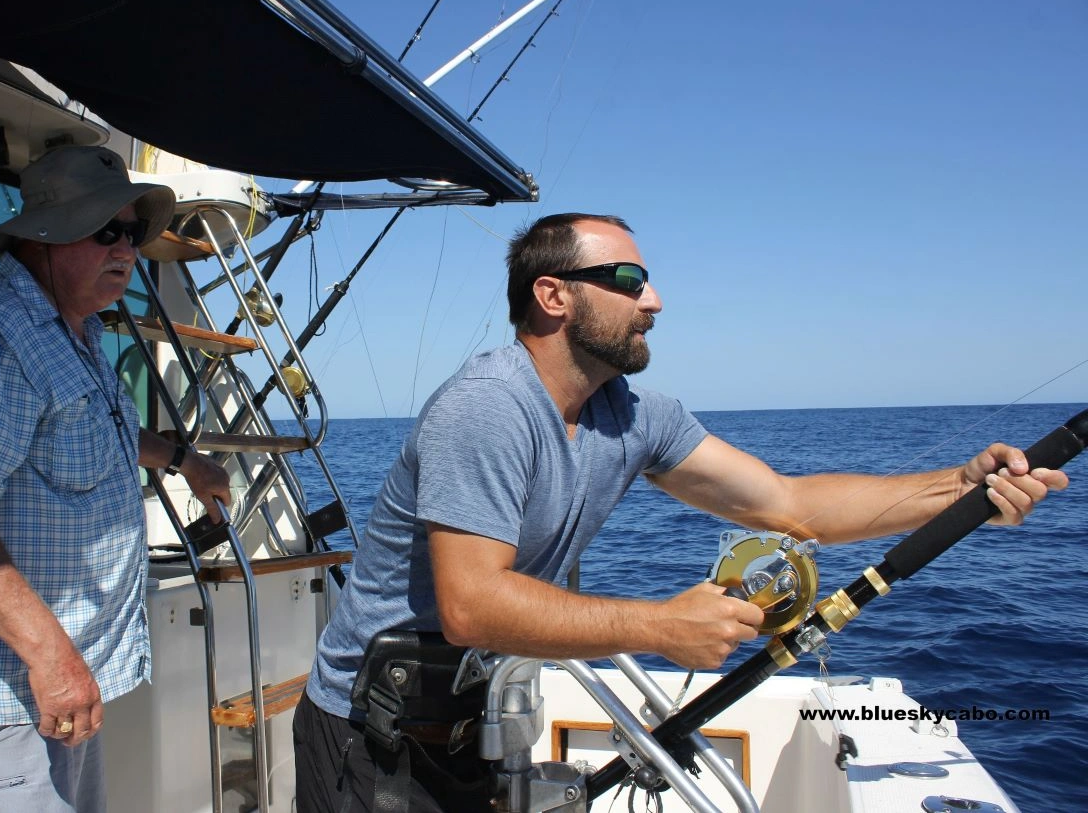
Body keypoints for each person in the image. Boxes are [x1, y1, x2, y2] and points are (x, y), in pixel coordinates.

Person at [293, 212, 1070, 812]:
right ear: (553, 294)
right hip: (373, 735)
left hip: (473, 718)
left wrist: (960, 489)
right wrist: (661, 625)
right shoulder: (489, 407)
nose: (653, 299)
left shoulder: (633, 415)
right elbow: (471, 604)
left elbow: (791, 504)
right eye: (627, 278)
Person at [0, 145, 232, 812]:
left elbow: (96, 432)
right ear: (44, 235)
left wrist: (185, 460)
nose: (127, 249)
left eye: (132, 232)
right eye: (106, 229)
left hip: (51, 691)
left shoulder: (72, 333)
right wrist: (53, 658)